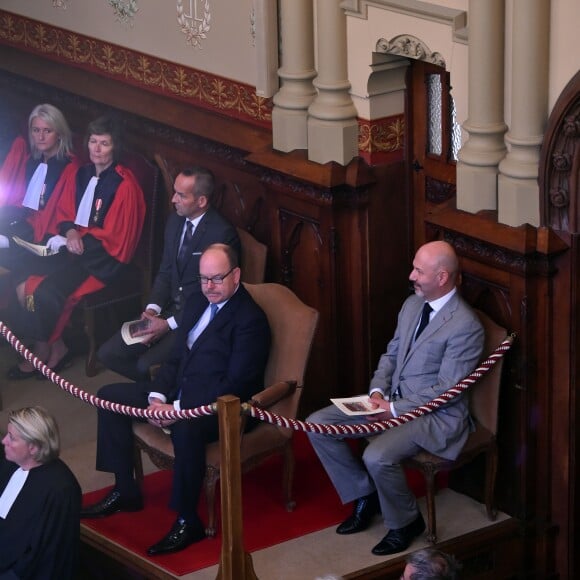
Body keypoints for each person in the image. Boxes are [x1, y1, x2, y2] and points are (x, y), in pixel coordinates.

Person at [80, 243, 271, 556]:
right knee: (108, 397)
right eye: (203, 279)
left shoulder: (250, 320)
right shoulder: (196, 301)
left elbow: (236, 384)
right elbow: (175, 358)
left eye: (217, 279)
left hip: (217, 409)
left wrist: (179, 410)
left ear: (236, 275)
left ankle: (187, 519)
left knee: (186, 430)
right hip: (174, 395)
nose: (209, 287)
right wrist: (157, 397)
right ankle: (125, 490)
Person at [307, 241, 484, 556]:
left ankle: (406, 522)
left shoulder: (466, 326)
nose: (411, 275)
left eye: (418, 270)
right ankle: (365, 495)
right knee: (316, 424)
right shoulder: (412, 306)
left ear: (442, 277)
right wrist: (377, 391)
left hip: (435, 417)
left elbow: (447, 389)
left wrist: (393, 409)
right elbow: (391, 355)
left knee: (376, 455)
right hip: (390, 401)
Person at [7, 115, 146, 379]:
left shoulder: (125, 186)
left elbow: (117, 238)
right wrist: (69, 232)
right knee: (25, 279)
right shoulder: (82, 173)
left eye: (104, 143)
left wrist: (78, 242)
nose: (96, 149)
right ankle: (51, 344)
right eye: (93, 141)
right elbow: (64, 210)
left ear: (115, 147)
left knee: (46, 290)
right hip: (73, 251)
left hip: (101, 261)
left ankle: (53, 350)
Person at [97, 166, 240, 381]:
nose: (173, 199)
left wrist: (168, 324)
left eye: (181, 195)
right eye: (175, 192)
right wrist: (152, 310)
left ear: (201, 201)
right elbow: (165, 272)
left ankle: (160, 402)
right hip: (164, 312)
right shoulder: (174, 222)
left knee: (146, 365)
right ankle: (155, 395)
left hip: (196, 318)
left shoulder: (221, 234)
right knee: (108, 353)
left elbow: (214, 295)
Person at [0, 406, 81, 579]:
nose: (4, 441)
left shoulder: (60, 490)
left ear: (33, 448)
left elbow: (45, 554)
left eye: (12, 439)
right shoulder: (11, 462)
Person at [0, 104, 79, 259]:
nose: (40, 137)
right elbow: (20, 201)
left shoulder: (70, 167)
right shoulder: (32, 160)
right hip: (23, 221)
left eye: (47, 131)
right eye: (36, 130)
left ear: (59, 134)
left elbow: (62, 214)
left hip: (46, 231)